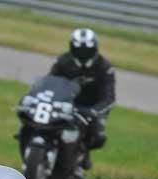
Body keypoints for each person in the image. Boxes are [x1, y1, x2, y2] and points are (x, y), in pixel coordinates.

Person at [48, 28, 116, 170]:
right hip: (67, 102)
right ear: (72, 47)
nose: (82, 53)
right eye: (78, 49)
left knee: (98, 137)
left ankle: (83, 152)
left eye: (87, 50)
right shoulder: (63, 61)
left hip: (92, 106)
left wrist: (95, 111)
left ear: (95, 49)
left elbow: (109, 96)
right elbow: (49, 83)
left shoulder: (104, 67)